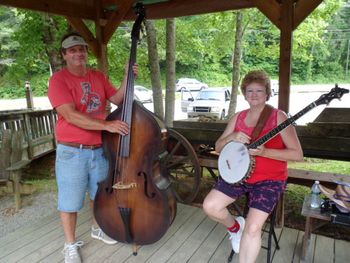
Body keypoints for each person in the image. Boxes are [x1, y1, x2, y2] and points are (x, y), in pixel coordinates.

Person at [48, 32, 138, 263]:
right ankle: (69, 245)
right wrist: (107, 125)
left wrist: (128, 77)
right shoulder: (58, 80)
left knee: (100, 195)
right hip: (72, 151)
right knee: (70, 202)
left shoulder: (97, 76)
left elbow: (119, 99)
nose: (79, 53)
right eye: (72, 50)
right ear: (65, 55)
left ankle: (98, 228)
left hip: (99, 149)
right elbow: (70, 115)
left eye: (82, 49)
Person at [203, 70, 303, 263]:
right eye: (250, 91)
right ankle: (234, 228)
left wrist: (265, 152)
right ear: (244, 94)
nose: (254, 95)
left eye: (259, 90)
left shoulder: (278, 117)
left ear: (267, 93)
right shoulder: (238, 118)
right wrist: (232, 136)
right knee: (210, 206)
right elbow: (218, 146)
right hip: (239, 176)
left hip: (269, 180)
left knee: (253, 228)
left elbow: (297, 154)